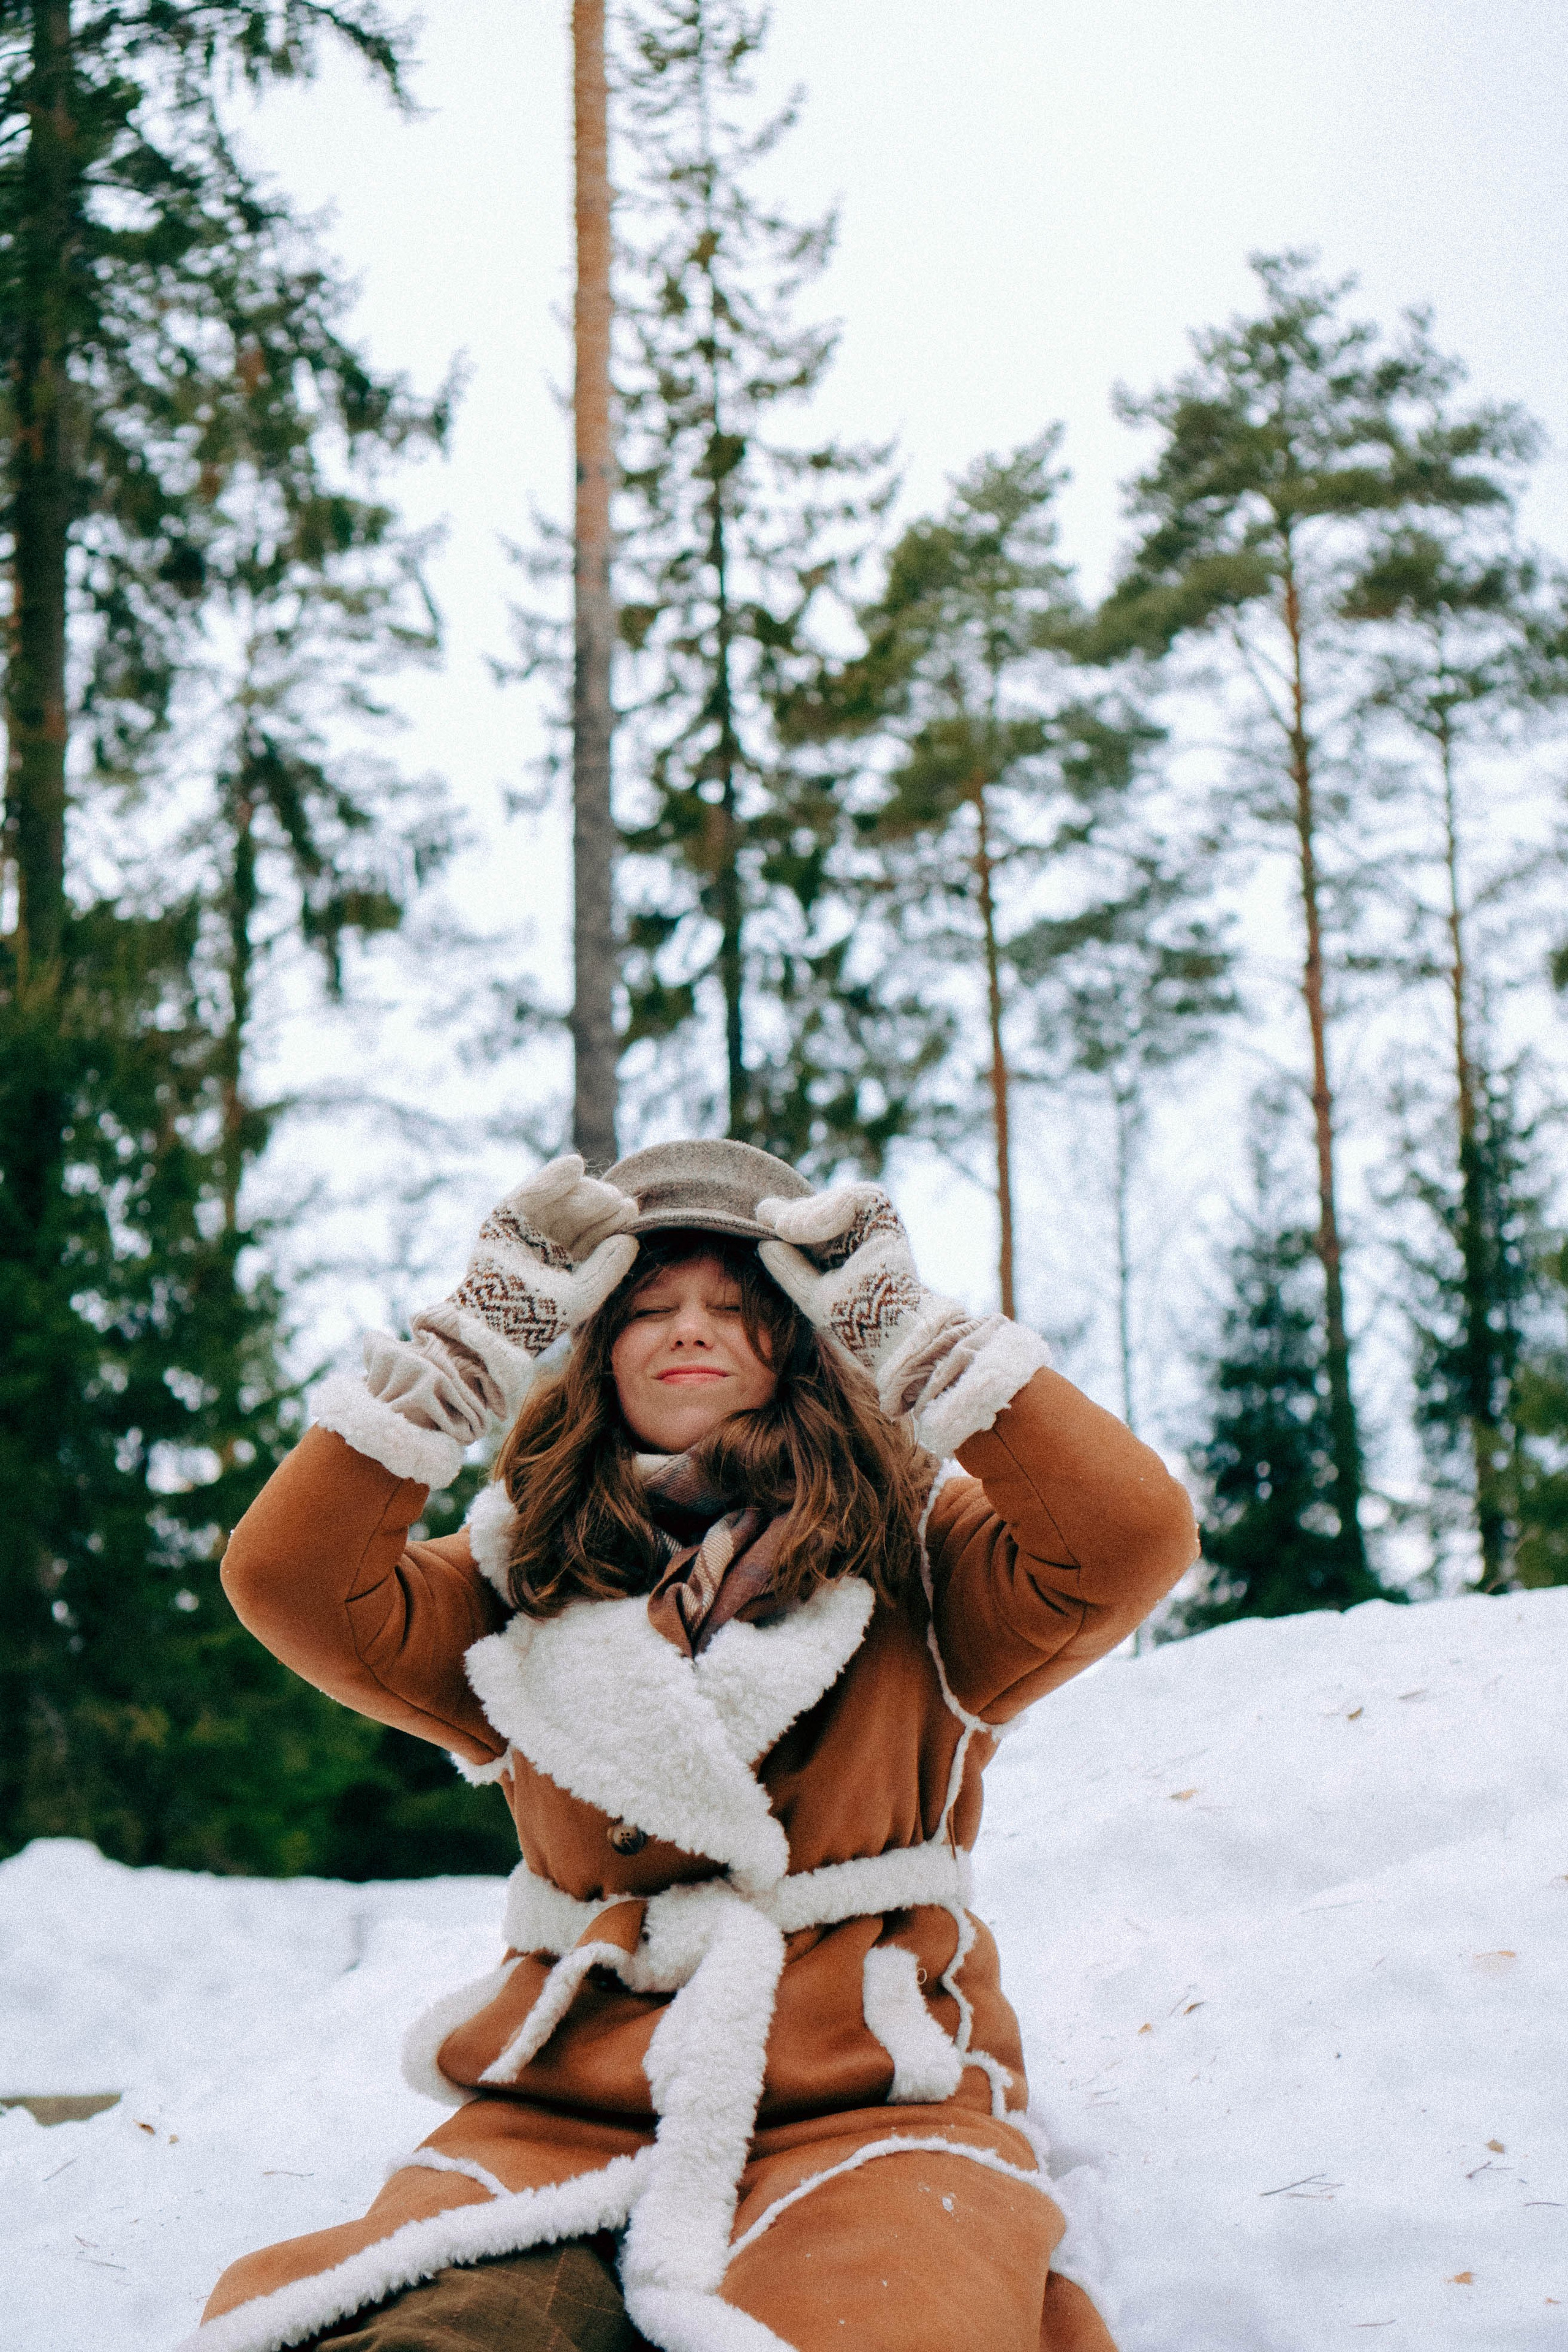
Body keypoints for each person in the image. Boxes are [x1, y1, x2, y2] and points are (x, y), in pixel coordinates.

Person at [187, 1139, 1197, 2352]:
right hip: (566, 2111)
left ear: (802, 1341)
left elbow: (1129, 1538)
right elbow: (288, 1583)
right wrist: (469, 1345)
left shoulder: (923, 1555)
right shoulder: (520, 1576)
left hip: (870, 2100)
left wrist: (905, 1327)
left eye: (736, 1306)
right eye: (648, 1305)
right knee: (427, 2339)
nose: (689, 1328)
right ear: (596, 1345)